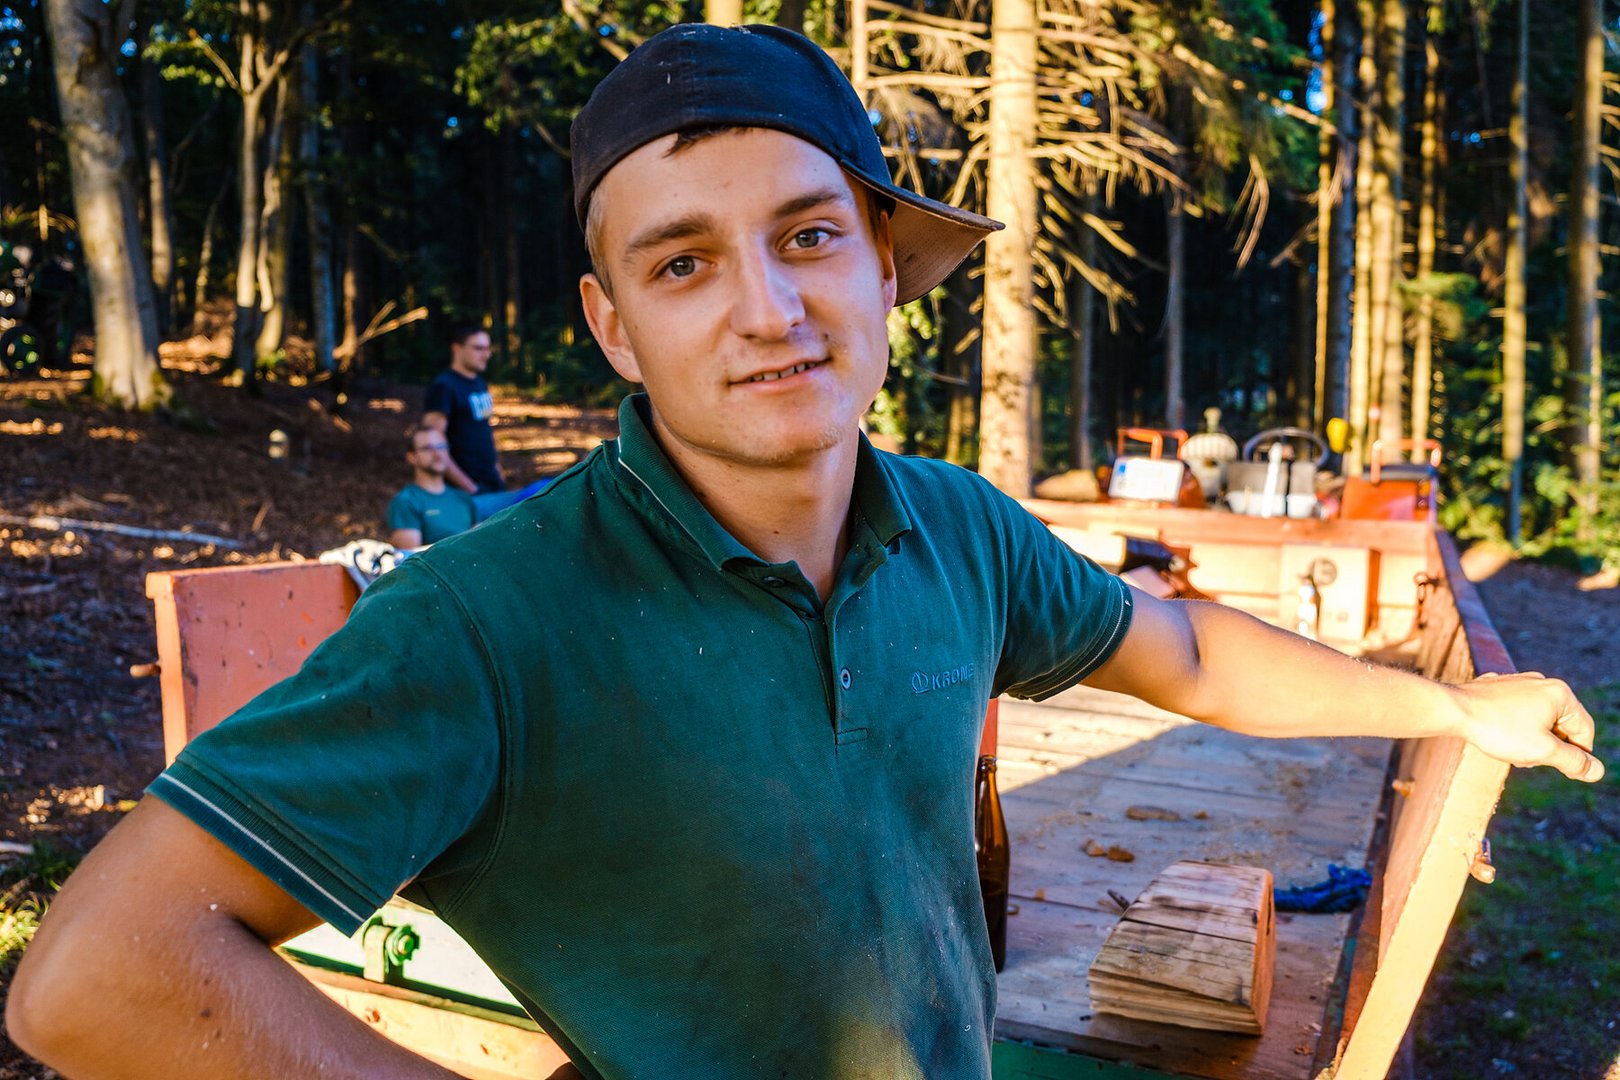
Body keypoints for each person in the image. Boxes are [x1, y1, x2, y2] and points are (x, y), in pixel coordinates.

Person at [8, 24, 1602, 1080]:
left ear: (884, 267)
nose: (767, 309)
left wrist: (1452, 710)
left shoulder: (956, 530)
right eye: (683, 264)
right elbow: (95, 973)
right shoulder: (486, 625)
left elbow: (1178, 647)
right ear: (614, 329)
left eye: (810, 234)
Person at [423, 321, 503, 495]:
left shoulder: (480, 383)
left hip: (492, 483)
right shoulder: (444, 387)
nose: (486, 355)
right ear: (457, 348)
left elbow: (483, 431)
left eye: (488, 348)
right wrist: (468, 487)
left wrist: (498, 471)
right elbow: (431, 443)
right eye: (479, 348)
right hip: (465, 491)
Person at [386, 426, 479, 549]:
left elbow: (479, 544)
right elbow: (410, 555)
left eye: (442, 447)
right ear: (412, 457)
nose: (437, 454)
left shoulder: (463, 498)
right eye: (427, 449)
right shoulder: (406, 501)